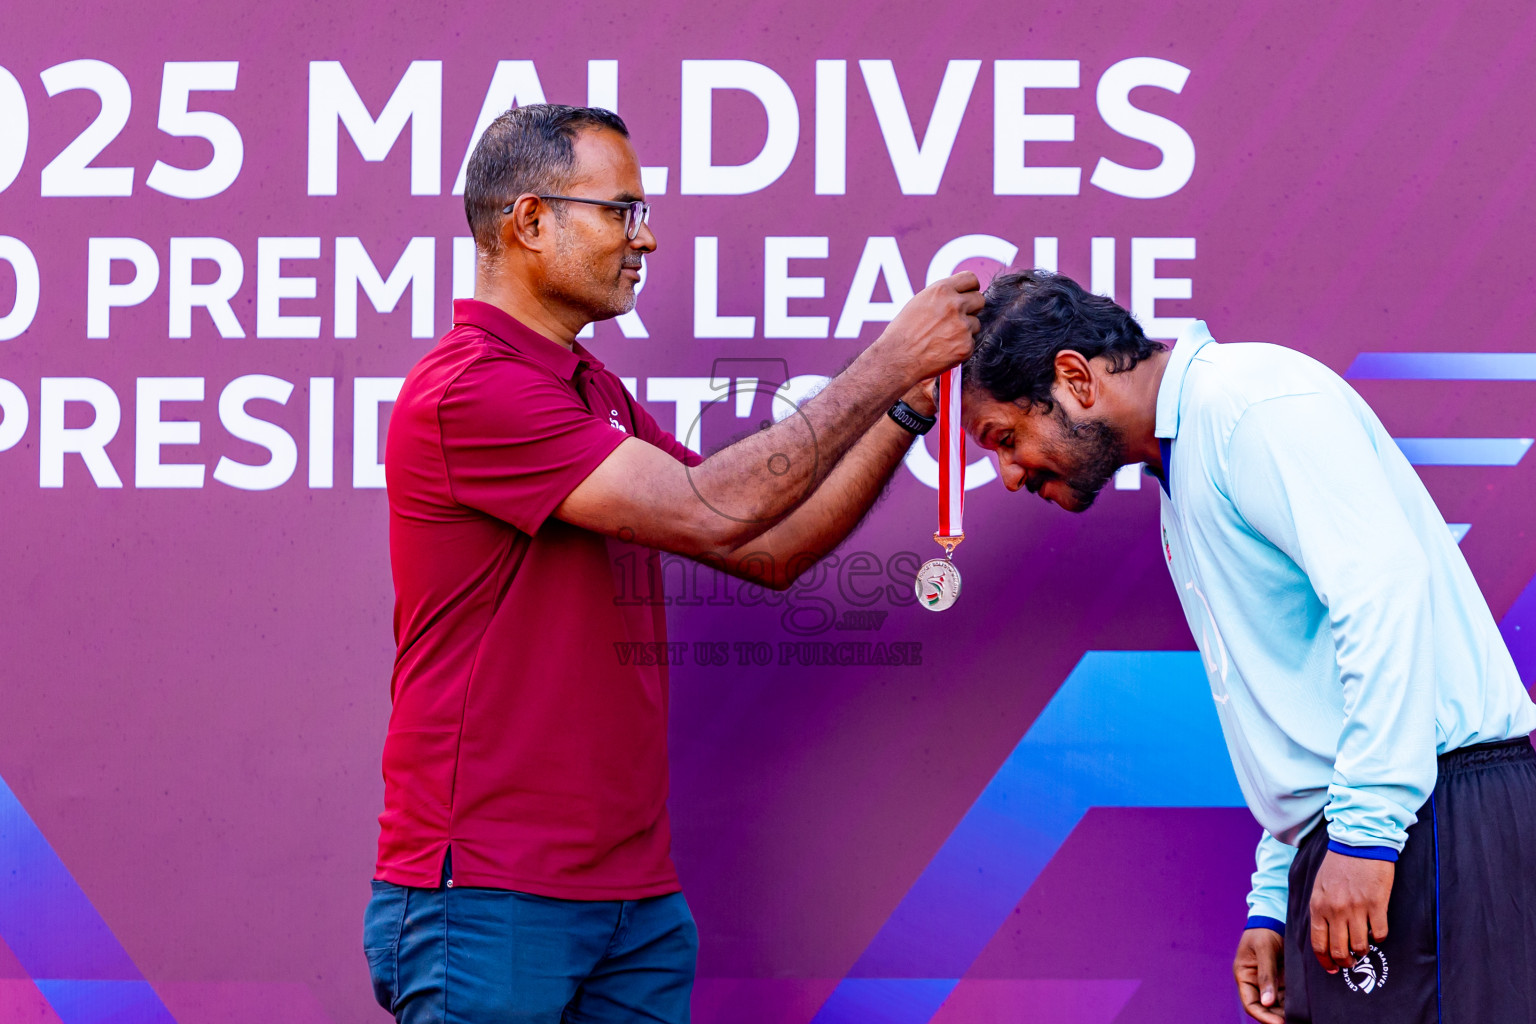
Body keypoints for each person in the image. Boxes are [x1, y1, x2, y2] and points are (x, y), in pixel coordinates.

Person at [363, 103, 981, 1023]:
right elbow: (717, 504)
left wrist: (905, 413)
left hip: (634, 903)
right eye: (622, 211)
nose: (645, 237)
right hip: (491, 895)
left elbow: (765, 547)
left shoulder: (590, 388)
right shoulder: (470, 389)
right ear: (529, 223)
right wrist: (888, 363)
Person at [961, 269, 1536, 1023]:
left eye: (1006, 438)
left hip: (1428, 820)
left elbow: (1385, 598)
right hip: (1376, 825)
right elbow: (1297, 698)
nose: (1006, 474)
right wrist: (1278, 895)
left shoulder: (1250, 405)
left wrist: (1363, 841)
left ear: (1075, 378)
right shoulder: (1188, 459)